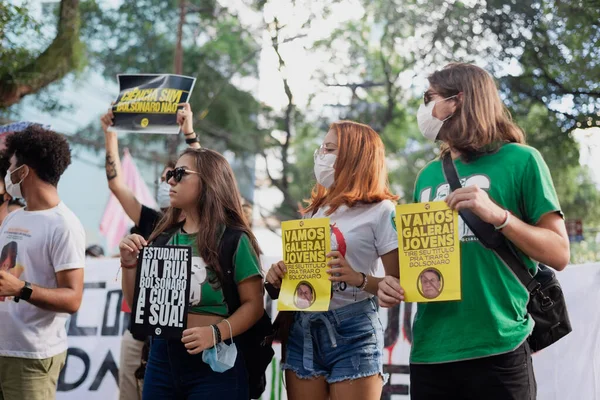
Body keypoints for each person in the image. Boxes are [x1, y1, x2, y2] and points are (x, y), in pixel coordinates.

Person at [377, 63, 570, 400]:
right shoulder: (428, 175)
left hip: (498, 346)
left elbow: (559, 253)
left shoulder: (523, 160)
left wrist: (498, 216)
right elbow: (417, 270)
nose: (424, 108)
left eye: (429, 98)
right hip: (430, 352)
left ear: (458, 100)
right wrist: (390, 286)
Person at [265, 121, 399, 400]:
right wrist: (280, 275)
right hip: (303, 328)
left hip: (355, 331)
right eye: (321, 147)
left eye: (329, 149)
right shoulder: (315, 210)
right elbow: (304, 275)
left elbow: (397, 286)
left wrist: (359, 279)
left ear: (355, 156)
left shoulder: (382, 210)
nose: (320, 155)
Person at [119, 148, 265, 399]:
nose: (170, 180)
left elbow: (254, 306)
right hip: (162, 359)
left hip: (216, 361)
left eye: (180, 173)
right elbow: (140, 307)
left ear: (209, 181)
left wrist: (215, 333)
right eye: (171, 174)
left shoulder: (234, 240)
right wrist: (129, 264)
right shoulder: (162, 238)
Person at [101, 102, 201, 400]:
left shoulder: (206, 228)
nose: (168, 183)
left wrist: (190, 133)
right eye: (164, 178)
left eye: (177, 176)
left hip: (183, 339)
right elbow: (116, 184)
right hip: (140, 336)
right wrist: (110, 134)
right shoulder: (149, 220)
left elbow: (211, 171)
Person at [0, 126, 86, 400]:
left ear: (24, 171)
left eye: (12, 164)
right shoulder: (14, 217)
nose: (8, 171)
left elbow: (73, 299)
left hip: (30, 359)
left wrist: (21, 288)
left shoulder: (65, 225)